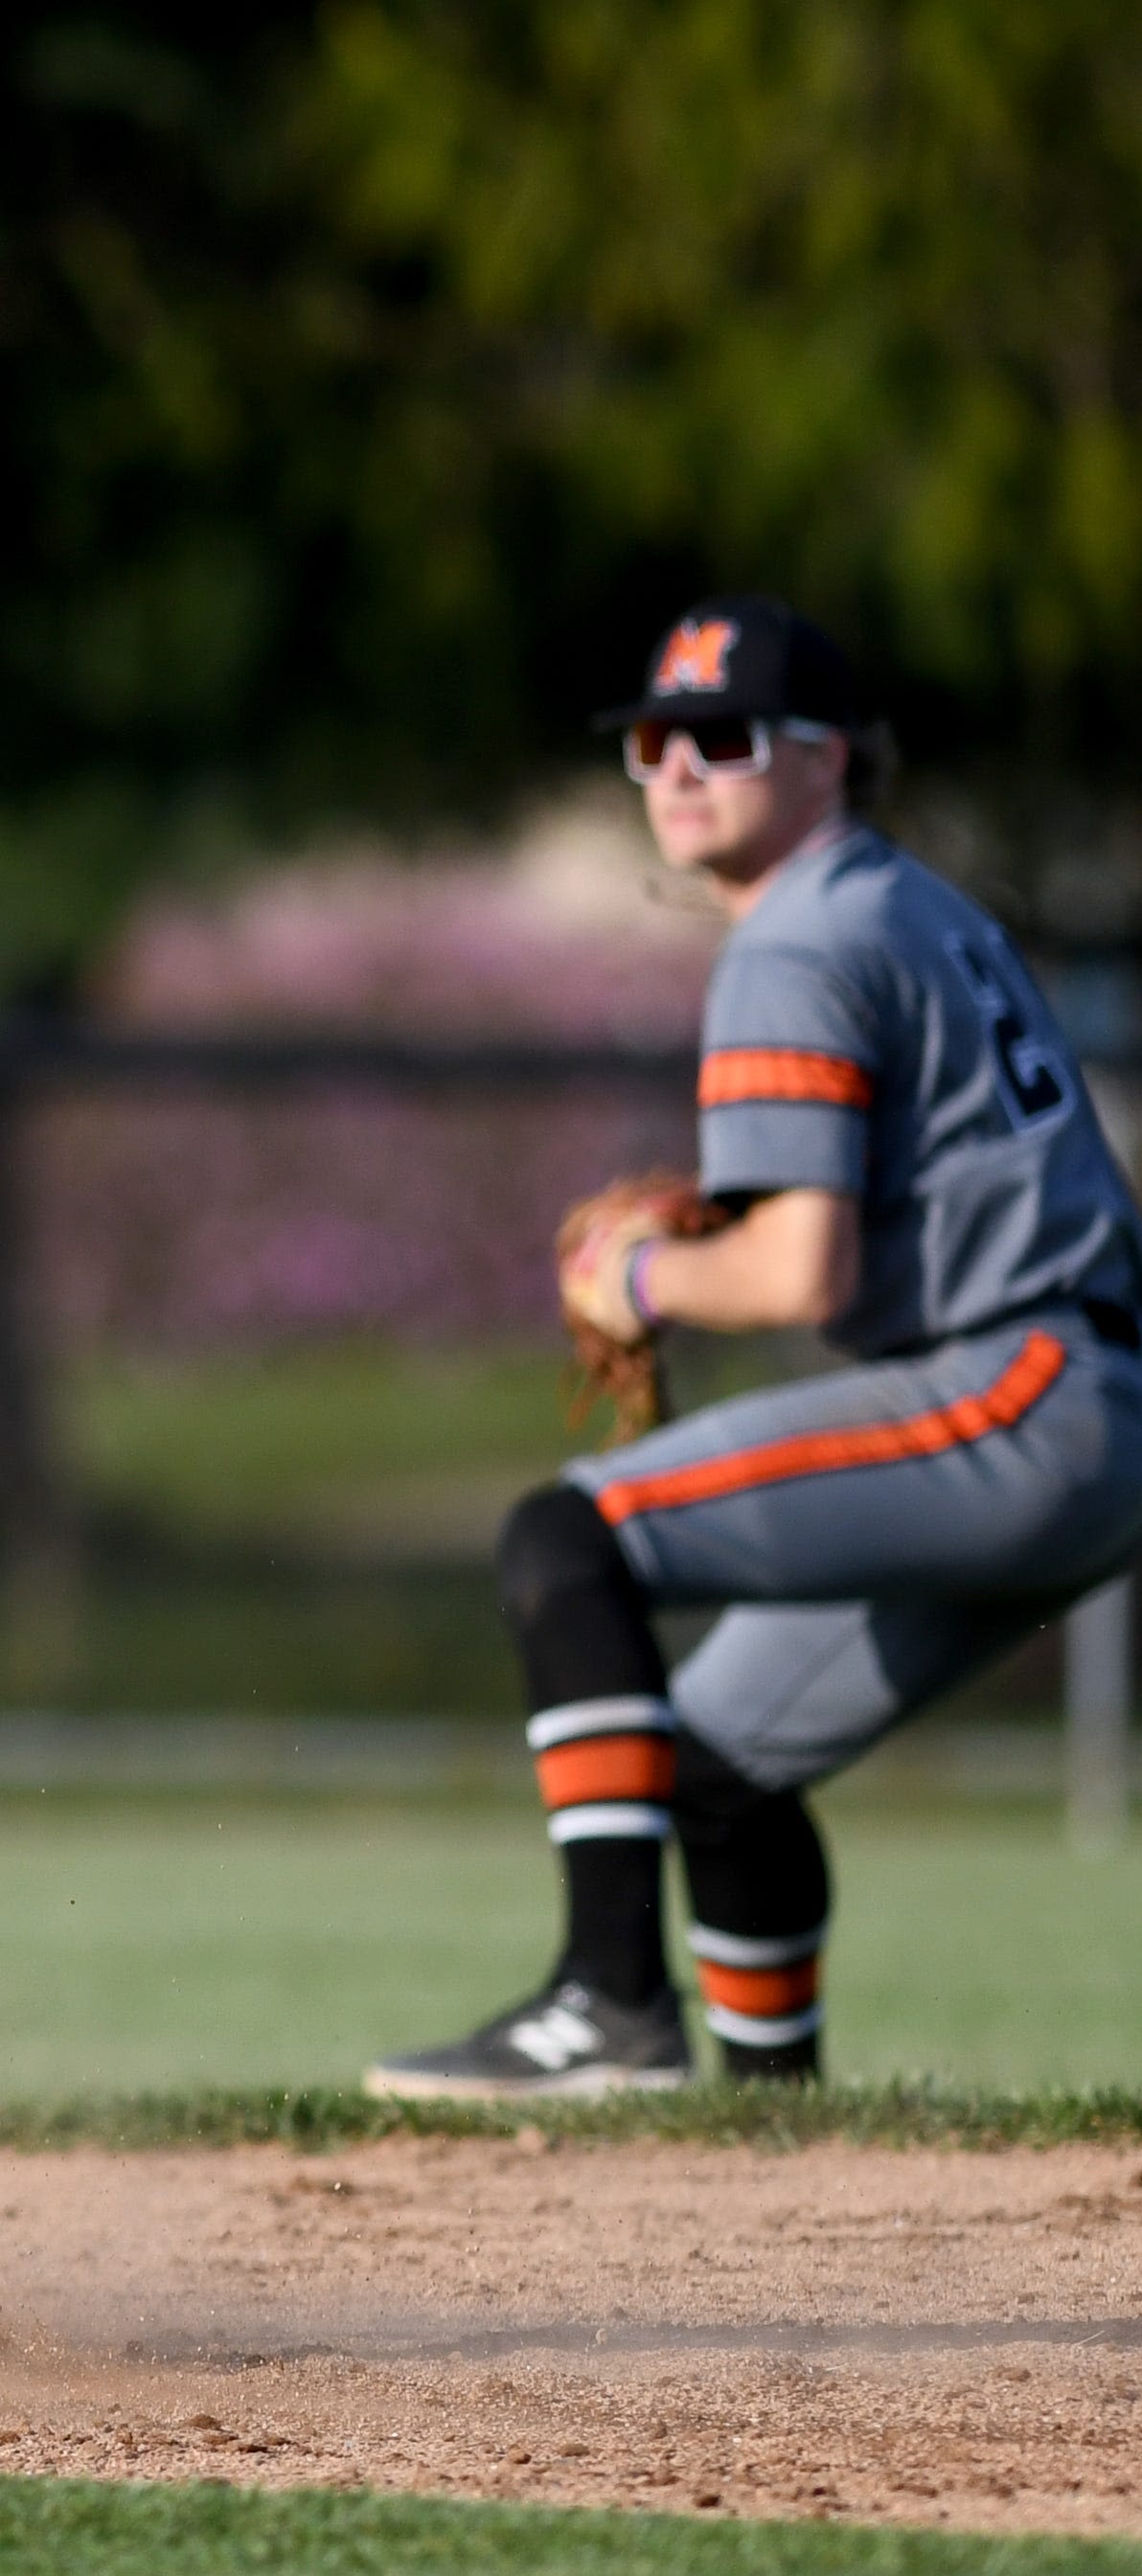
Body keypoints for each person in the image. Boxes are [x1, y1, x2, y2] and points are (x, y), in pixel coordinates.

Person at [369, 597, 1142, 2098]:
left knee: (565, 1539)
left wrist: (636, 1274)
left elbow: (800, 1266)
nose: (676, 769)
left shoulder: (796, 932)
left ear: (833, 758)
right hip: (1077, 1400)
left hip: (1026, 1387)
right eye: (653, 741)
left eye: (723, 737)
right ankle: (776, 2138)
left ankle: (608, 1997)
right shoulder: (901, 901)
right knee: (721, 1759)